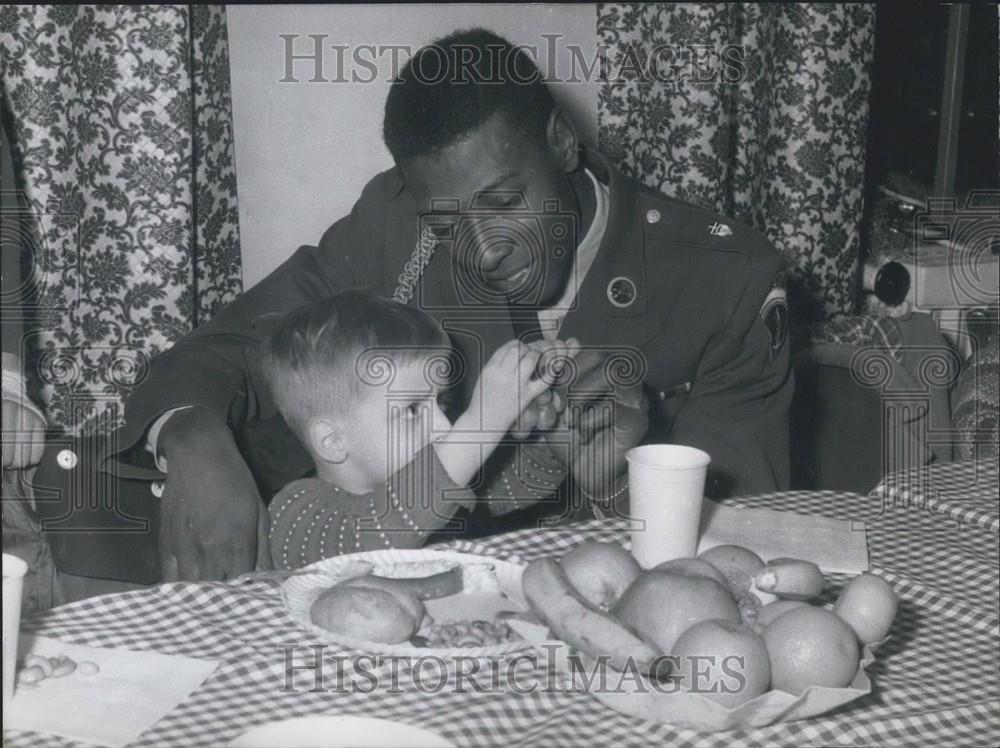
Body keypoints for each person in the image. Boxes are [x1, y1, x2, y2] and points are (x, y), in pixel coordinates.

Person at [110, 28, 791, 583]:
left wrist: (623, 480)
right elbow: (230, 346)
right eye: (445, 224)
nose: (482, 249)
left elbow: (748, 555)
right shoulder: (394, 224)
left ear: (562, 141)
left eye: (503, 203)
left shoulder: (723, 282)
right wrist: (190, 432)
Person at [258, 289, 577, 569]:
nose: (443, 426)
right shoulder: (296, 514)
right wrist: (483, 423)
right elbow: (376, 532)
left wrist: (549, 437)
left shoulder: (427, 493)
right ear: (332, 440)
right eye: (412, 410)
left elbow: (509, 485)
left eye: (441, 402)